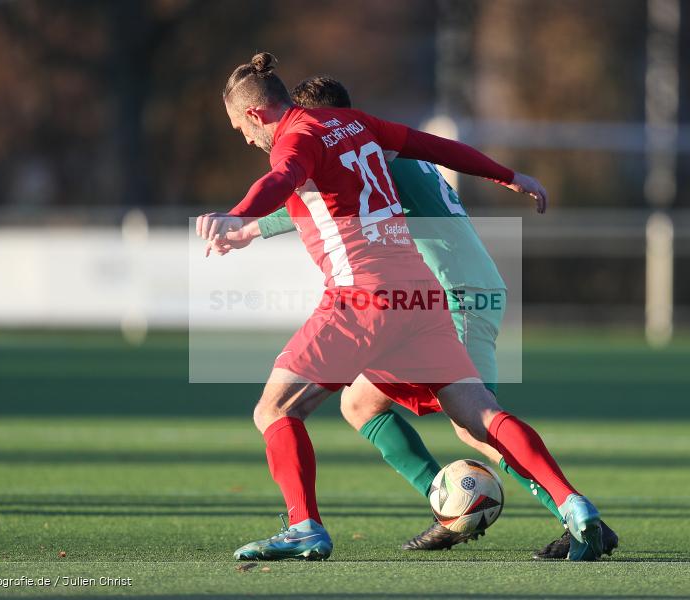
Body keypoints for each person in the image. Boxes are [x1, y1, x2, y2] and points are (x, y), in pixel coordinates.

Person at [198, 52, 605, 562]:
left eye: (240, 128)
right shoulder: (356, 124)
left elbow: (281, 179)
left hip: (365, 295)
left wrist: (236, 215)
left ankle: (305, 527)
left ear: (256, 114)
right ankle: (572, 503)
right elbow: (436, 146)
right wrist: (507, 174)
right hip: (421, 295)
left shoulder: (296, 137)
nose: (245, 138)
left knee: (275, 409)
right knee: (475, 413)